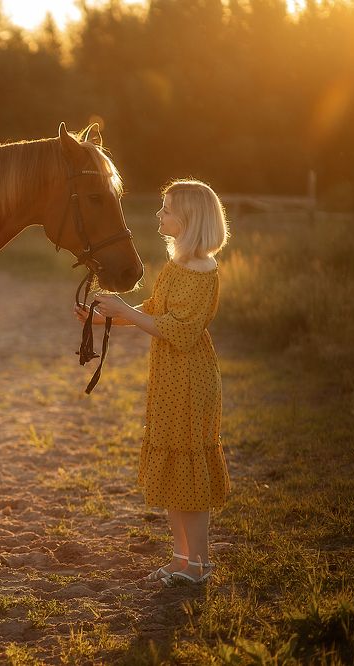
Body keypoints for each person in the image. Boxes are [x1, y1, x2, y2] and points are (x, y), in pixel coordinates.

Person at [75, 179, 231, 585]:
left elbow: (178, 330)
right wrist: (103, 316)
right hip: (169, 377)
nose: (158, 215)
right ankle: (182, 559)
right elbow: (154, 311)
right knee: (176, 469)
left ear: (189, 218)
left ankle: (199, 564)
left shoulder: (203, 271)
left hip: (191, 380)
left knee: (189, 468)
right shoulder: (178, 265)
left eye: (166, 209)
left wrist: (125, 309)